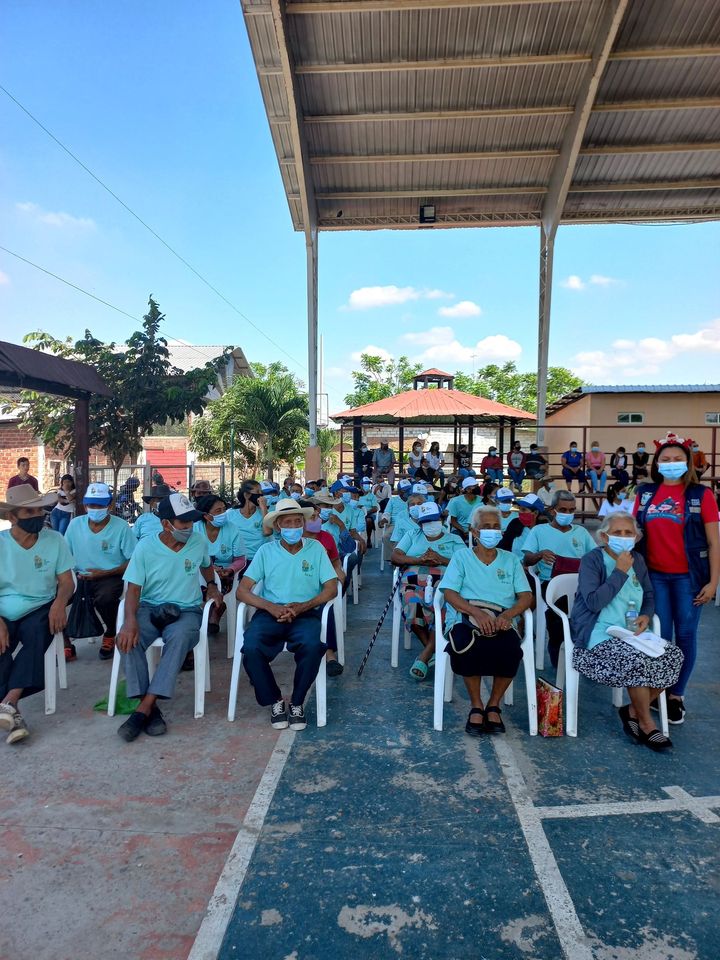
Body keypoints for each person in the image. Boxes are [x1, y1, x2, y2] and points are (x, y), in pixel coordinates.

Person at [571, 513, 683, 752]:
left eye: (628, 533)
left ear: (636, 537)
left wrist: (646, 615)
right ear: (604, 536)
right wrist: (620, 572)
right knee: (636, 661)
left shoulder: (637, 560)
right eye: (617, 532)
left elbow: (649, 595)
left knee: (673, 657)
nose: (623, 537)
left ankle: (631, 710)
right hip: (598, 634)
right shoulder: (592, 560)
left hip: (632, 632)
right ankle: (647, 723)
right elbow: (593, 603)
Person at [115, 494, 223, 741]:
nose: (189, 527)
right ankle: (150, 708)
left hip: (187, 610)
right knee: (128, 640)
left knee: (180, 638)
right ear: (166, 524)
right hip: (150, 607)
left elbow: (206, 565)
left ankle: (143, 708)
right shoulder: (145, 547)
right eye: (183, 522)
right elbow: (133, 589)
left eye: (191, 521)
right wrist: (129, 621)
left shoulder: (198, 541)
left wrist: (211, 585)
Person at [633, 432, 720, 725]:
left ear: (688, 462)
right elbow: (634, 531)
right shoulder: (645, 493)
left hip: (689, 579)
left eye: (677, 459)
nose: (671, 463)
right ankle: (658, 690)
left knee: (685, 635)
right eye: (666, 459)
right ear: (657, 463)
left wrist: (713, 582)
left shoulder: (701, 495)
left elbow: (714, 543)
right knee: (659, 637)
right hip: (654, 577)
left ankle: (676, 695)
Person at [237, 498, 338, 730]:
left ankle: (297, 702)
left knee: (312, 646)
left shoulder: (316, 549)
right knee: (251, 647)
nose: (293, 527)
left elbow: (331, 588)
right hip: (270, 613)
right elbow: (242, 591)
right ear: (278, 526)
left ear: (303, 524)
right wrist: (271, 607)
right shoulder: (266, 551)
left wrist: (303, 606)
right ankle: (275, 700)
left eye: (297, 522)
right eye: (287, 523)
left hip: (305, 613)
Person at [439, 505, 533, 736]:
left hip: (502, 617)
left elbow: (526, 596)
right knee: (466, 646)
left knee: (510, 649)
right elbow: (449, 593)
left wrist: (507, 615)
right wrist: (476, 613)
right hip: (466, 615)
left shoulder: (511, 560)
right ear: (474, 531)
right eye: (486, 527)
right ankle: (476, 705)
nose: (492, 531)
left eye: (496, 527)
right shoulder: (461, 557)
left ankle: (493, 704)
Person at [0, 484, 74, 744]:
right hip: (3, 610)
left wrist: (60, 603)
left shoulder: (54, 540)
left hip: (40, 606)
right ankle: (11, 711)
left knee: (39, 631)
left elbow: (67, 582)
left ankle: (10, 701)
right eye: (29, 512)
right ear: (13, 517)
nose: (37, 516)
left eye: (39, 510)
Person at [391, 501, 465, 680]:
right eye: (426, 522)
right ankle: (433, 651)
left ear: (442, 519)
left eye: (435, 520)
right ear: (420, 524)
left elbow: (465, 564)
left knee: (445, 604)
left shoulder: (454, 539)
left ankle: (425, 654)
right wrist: (419, 560)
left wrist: (440, 559)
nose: (431, 524)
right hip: (413, 581)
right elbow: (395, 556)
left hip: (445, 583)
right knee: (411, 602)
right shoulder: (412, 535)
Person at [522, 490, 596, 667]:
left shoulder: (581, 532)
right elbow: (527, 559)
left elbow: (595, 557)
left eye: (571, 510)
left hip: (580, 583)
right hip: (551, 583)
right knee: (561, 614)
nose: (568, 514)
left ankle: (586, 654)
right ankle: (560, 657)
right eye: (563, 509)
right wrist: (540, 555)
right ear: (552, 510)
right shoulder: (539, 531)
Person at [65, 482, 136, 660]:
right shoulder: (75, 525)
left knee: (105, 598)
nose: (95, 509)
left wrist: (106, 573)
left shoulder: (121, 527)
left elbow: (134, 561)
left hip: (110, 576)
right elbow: (64, 555)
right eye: (91, 505)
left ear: (109, 505)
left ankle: (110, 632)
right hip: (79, 577)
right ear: (85, 505)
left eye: (100, 505)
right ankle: (66, 643)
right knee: (51, 601)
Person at [302, 499, 345, 676]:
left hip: (323, 583)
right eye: (313, 517)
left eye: (318, 516)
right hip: (300, 585)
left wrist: (338, 571)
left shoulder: (326, 537)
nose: (318, 519)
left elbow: (335, 560)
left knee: (325, 607)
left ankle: (330, 655)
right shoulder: (293, 541)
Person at [193, 495, 246, 634]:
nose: (223, 514)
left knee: (222, 583)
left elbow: (240, 560)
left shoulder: (232, 529)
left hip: (225, 574)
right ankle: (206, 615)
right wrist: (209, 568)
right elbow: (190, 556)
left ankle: (212, 614)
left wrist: (230, 569)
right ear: (206, 515)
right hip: (199, 572)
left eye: (224, 509)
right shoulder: (195, 530)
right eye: (218, 511)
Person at [227, 480, 271, 562]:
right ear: (247, 495)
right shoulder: (230, 514)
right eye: (257, 492)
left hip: (258, 559)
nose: (261, 495)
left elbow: (267, 532)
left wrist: (264, 508)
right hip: (238, 560)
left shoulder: (264, 513)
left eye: (261, 492)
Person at [500, 492, 547, 557]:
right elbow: (504, 546)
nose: (520, 512)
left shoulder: (544, 529)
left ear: (535, 513)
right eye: (519, 509)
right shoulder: (515, 524)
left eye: (523, 509)